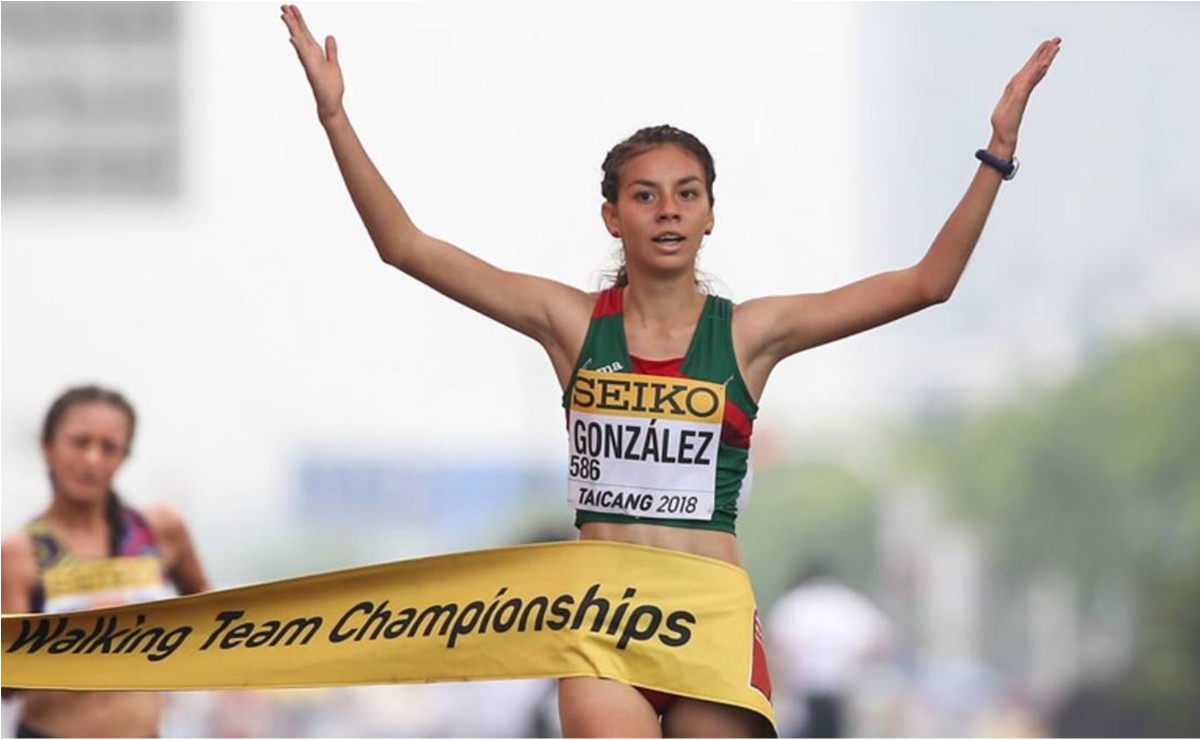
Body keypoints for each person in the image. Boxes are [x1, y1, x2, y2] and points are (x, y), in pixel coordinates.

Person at [279, 5, 1059, 736]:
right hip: (601, 621)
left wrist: (996, 153)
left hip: (707, 618)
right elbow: (405, 247)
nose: (668, 211)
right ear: (613, 217)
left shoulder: (752, 333)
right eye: (645, 196)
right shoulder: (571, 324)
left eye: (687, 195)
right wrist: (334, 116)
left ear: (710, 214)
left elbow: (926, 283)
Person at [0, 385, 210, 738]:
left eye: (109, 447)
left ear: (124, 456)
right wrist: (86, 632)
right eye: (80, 442)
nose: (93, 459)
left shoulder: (158, 531)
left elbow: (212, 613)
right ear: (48, 448)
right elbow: (7, 682)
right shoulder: (23, 552)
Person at [766, 563, 896, 738]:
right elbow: (882, 639)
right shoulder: (849, 602)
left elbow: (777, 644)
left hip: (807, 688)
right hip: (843, 689)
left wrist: (788, 674)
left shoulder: (795, 603)